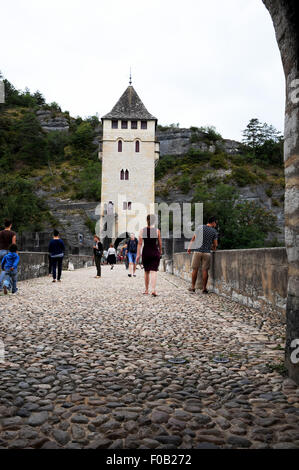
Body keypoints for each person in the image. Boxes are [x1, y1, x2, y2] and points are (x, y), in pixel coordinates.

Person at [187, 216, 218, 294]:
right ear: (213, 222)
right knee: (205, 270)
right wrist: (213, 248)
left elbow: (193, 239)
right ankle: (204, 288)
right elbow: (215, 244)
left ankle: (193, 287)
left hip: (197, 251)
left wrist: (189, 248)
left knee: (195, 269)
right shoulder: (214, 231)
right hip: (207, 253)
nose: (216, 224)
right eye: (216, 223)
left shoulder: (200, 227)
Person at [137, 214, 162, 296]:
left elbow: (140, 244)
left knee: (146, 271)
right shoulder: (157, 231)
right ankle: (154, 290)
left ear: (146, 220)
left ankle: (147, 290)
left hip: (146, 252)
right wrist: (160, 251)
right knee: (154, 271)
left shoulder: (142, 230)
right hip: (155, 252)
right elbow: (160, 243)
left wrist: (138, 254)